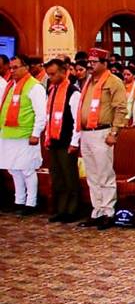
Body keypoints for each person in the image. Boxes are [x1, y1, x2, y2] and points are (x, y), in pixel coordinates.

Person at [76, 48, 128, 229]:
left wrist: (114, 133)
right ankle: (96, 210)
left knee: (104, 174)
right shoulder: (89, 81)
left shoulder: (114, 82)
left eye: (94, 62)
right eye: (89, 62)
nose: (90, 65)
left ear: (105, 63)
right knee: (92, 175)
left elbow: (120, 109)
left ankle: (108, 211)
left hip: (102, 133)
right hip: (86, 133)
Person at [0, 54, 47, 215]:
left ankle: (31, 202)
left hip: (26, 135)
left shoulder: (35, 87)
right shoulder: (10, 85)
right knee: (14, 169)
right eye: (11, 68)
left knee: (27, 170)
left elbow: (41, 114)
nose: (12, 71)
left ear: (26, 67)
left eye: (16, 67)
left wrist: (36, 133)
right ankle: (19, 200)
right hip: (9, 134)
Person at [42, 59, 82, 222]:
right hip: (54, 140)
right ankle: (61, 209)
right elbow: (48, 116)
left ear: (64, 72)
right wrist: (47, 137)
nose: (50, 78)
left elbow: (77, 120)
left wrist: (74, 142)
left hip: (67, 142)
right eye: (48, 75)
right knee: (57, 177)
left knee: (69, 177)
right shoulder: (52, 90)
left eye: (53, 74)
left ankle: (72, 211)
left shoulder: (73, 92)